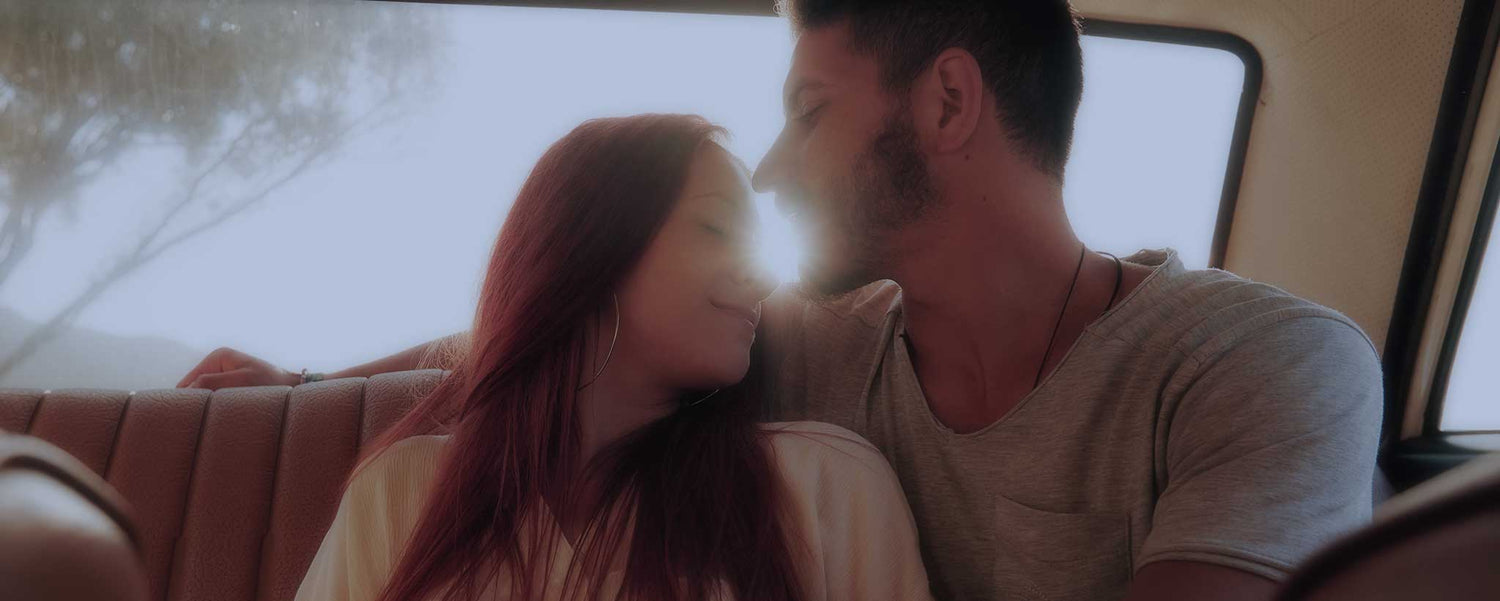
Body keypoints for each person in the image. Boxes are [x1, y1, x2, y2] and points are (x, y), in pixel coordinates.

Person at [182, 1, 1384, 600]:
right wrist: (308, 383)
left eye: (809, 112)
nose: (770, 172)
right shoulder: (817, 344)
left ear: (948, 104)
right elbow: (571, 319)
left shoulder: (1259, 365)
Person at [286, 115, 932, 601]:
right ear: (589, 247)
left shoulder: (824, 482)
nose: (762, 279)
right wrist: (310, 382)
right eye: (717, 228)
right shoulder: (403, 491)